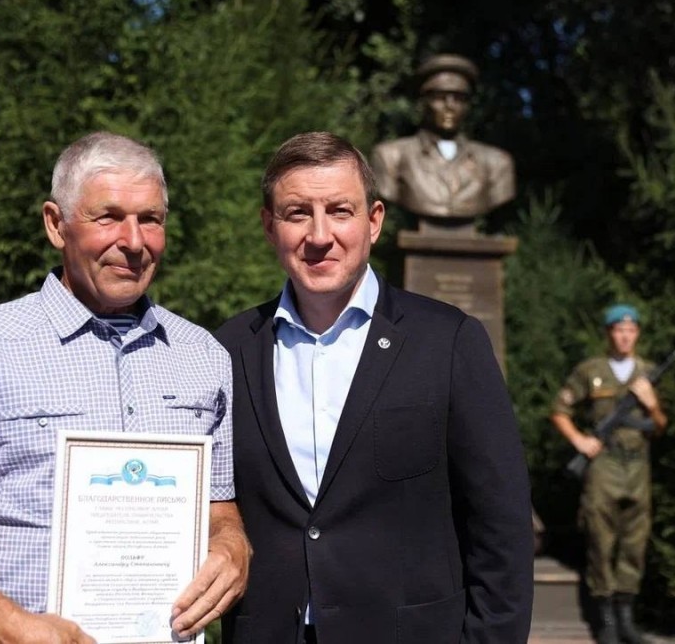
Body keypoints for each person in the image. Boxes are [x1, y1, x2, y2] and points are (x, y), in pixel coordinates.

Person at [0, 131, 250, 643]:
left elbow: (218, 507)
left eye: (150, 219)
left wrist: (231, 544)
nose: (133, 241)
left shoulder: (202, 355)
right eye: (108, 217)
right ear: (56, 224)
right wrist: (3, 624)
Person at [215, 131, 534, 644]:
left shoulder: (448, 341)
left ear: (374, 220)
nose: (319, 235)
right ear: (269, 226)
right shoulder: (228, 350)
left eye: (340, 211)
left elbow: (502, 525)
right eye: (298, 214)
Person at [550, 304, 668, 644]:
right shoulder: (591, 370)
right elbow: (559, 410)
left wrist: (652, 404)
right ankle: (604, 620)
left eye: (631, 330)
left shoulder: (647, 372)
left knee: (635, 540)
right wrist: (579, 441)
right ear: (608, 334)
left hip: (638, 465)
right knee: (600, 538)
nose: (625, 336)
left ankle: (626, 617)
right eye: (619, 330)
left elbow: (660, 426)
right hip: (604, 464)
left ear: (637, 334)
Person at [370, 53, 515, 224]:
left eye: (459, 99)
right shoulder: (391, 156)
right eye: (440, 97)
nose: (450, 106)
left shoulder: (497, 163)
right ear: (423, 102)